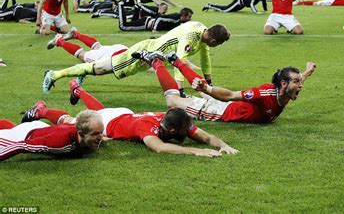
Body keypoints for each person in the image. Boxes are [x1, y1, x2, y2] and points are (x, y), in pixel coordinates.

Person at [24, 82, 238, 157]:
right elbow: (160, 148)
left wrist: (223, 145)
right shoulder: (149, 129)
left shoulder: (172, 119)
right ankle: (40, 111)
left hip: (123, 114)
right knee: (72, 122)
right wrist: (198, 152)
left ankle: (78, 90)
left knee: (100, 110)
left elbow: (203, 135)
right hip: (111, 123)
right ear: (172, 132)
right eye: (186, 131)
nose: (190, 132)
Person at [42, 22, 230, 95]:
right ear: (212, 39)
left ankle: (64, 73)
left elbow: (205, 57)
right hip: (142, 55)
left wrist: (209, 82)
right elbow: (178, 62)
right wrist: (180, 92)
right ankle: (54, 74)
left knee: (96, 65)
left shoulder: (202, 32)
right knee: (97, 68)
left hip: (148, 54)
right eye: (218, 44)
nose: (216, 47)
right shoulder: (191, 37)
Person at [132, 50, 316, 123]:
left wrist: (307, 72)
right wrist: (208, 91)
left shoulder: (286, 91)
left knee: (201, 89)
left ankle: (174, 59)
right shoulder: (265, 92)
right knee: (172, 101)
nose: (301, 85)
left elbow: (297, 83)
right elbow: (230, 95)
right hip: (223, 111)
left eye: (300, 81)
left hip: (232, 106)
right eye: (297, 81)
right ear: (283, 84)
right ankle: (155, 61)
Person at [0, 106, 103, 161]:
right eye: (94, 134)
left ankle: (39, 109)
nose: (100, 137)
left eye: (101, 133)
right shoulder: (60, 143)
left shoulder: (83, 131)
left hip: (43, 128)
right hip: (23, 135)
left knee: (13, 128)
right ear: (81, 134)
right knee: (12, 133)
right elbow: (21, 146)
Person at [46, 27, 128, 65]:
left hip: (123, 49)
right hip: (117, 57)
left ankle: (76, 34)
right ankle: (59, 41)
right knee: (83, 55)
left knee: (99, 48)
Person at [118, 1, 193, 31]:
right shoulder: (175, 18)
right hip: (146, 24)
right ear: (183, 16)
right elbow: (159, 18)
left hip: (147, 21)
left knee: (132, 23)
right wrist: (154, 29)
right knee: (123, 26)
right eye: (189, 17)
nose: (190, 19)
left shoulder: (177, 20)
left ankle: (137, 7)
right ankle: (120, 4)